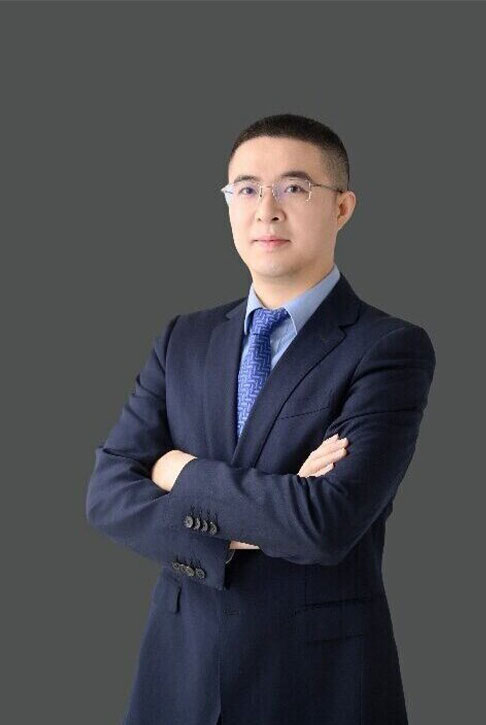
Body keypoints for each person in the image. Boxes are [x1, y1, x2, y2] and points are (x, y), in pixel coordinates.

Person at [86, 113, 436, 725]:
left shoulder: (387, 348)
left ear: (342, 207)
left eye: (294, 187)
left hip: (318, 685)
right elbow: (107, 494)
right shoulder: (183, 339)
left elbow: (324, 524)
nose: (265, 210)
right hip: (178, 677)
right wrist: (249, 522)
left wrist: (177, 470)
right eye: (246, 188)